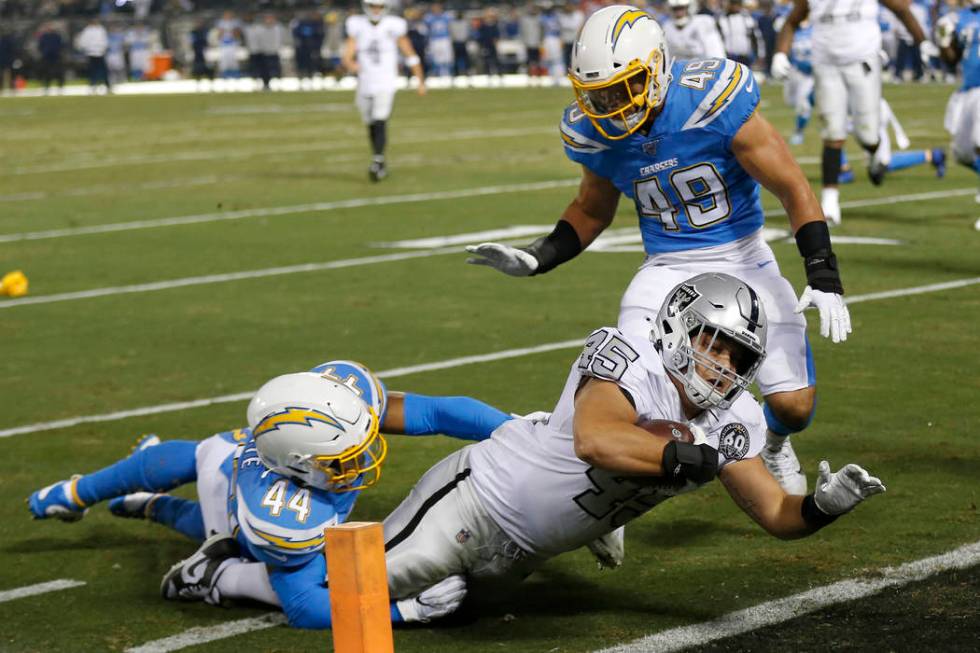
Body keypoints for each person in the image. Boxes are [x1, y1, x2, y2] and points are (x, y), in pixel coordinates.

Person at [162, 274, 886, 627]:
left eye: (738, 352)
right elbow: (596, 436)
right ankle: (220, 569)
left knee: (450, 614)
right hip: (479, 499)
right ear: (678, 325)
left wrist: (821, 507)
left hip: (532, 547)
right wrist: (676, 458)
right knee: (351, 598)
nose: (723, 362)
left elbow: (773, 510)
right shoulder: (625, 353)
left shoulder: (735, 418)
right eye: (713, 340)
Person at [465, 6, 848, 497]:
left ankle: (772, 443)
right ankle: (606, 489)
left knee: (794, 406)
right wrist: (542, 255)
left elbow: (792, 186)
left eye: (624, 87)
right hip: (668, 267)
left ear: (659, 69)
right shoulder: (595, 133)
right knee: (626, 387)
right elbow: (592, 208)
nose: (610, 105)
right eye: (598, 94)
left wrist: (822, 272)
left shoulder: (709, 99)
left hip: (742, 254)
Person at [28, 360, 513, 627]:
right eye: (345, 459)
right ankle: (207, 575)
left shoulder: (335, 410)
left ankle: (144, 504)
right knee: (217, 501)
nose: (365, 461)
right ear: (301, 465)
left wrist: (513, 429)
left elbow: (437, 412)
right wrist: (403, 612)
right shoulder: (283, 515)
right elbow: (305, 608)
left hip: (251, 468)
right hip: (232, 490)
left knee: (201, 478)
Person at [771, 0, 934, 225]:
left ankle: (876, 147)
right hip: (825, 63)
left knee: (866, 134)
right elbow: (791, 21)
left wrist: (922, 41)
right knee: (832, 131)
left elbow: (901, 9)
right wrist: (780, 53)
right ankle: (830, 202)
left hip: (862, 60)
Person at [343, 0, 426, 182]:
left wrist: (419, 80)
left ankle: (378, 161)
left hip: (385, 81)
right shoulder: (356, 24)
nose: (376, 9)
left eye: (379, 6)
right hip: (365, 82)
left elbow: (410, 54)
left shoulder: (394, 25)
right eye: (373, 6)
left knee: (380, 118)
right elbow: (348, 53)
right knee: (370, 121)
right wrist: (350, 63)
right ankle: (378, 157)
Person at [937, 0, 980, 231]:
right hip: (969, 91)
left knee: (979, 141)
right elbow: (952, 60)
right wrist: (944, 42)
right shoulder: (961, 18)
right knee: (962, 153)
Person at [74, 17, 110, 92]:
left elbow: (104, 40)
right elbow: (83, 41)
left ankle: (106, 85)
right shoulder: (87, 30)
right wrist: (86, 49)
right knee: (93, 70)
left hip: (100, 53)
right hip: (91, 53)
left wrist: (103, 48)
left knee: (103, 70)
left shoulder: (101, 29)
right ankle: (93, 84)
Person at [424, 3, 453, 77]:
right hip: (434, 39)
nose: (436, 10)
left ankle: (447, 72)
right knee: (435, 57)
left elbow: (451, 26)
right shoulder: (429, 17)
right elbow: (426, 28)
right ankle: (437, 72)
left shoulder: (446, 16)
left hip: (444, 38)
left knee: (446, 56)